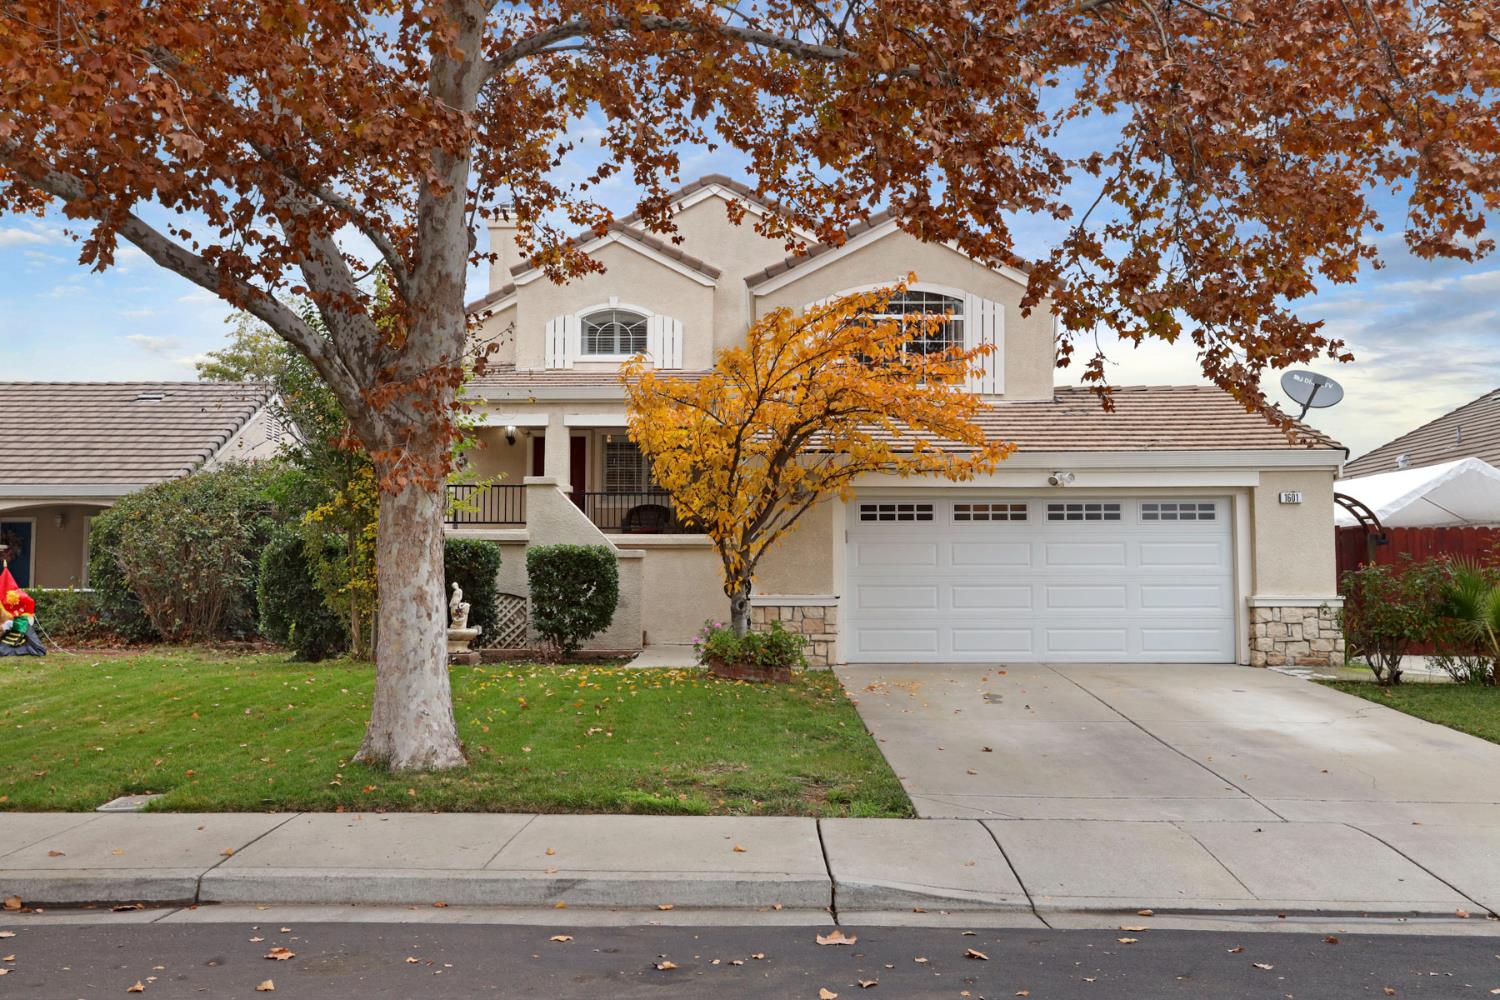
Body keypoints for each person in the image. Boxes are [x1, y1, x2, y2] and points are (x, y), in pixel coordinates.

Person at [0, 565, 45, 656]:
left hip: (22, 620)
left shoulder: (20, 595)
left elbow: (29, 603)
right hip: (9, 622)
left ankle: (28, 649)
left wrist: (24, 614)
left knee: (34, 644)